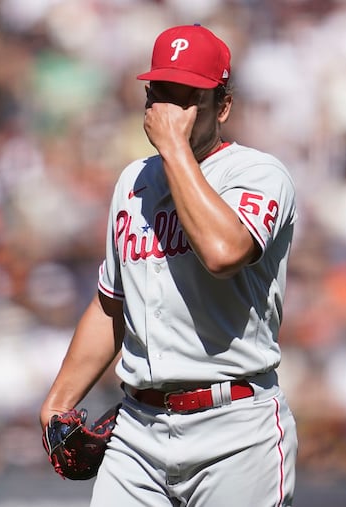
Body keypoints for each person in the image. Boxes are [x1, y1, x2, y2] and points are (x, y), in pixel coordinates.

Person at [40, 24, 299, 506]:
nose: (169, 110)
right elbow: (111, 304)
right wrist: (60, 398)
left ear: (222, 106)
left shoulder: (259, 174)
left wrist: (175, 149)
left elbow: (223, 253)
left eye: (188, 97)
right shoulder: (133, 181)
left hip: (235, 428)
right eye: (161, 92)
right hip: (138, 429)